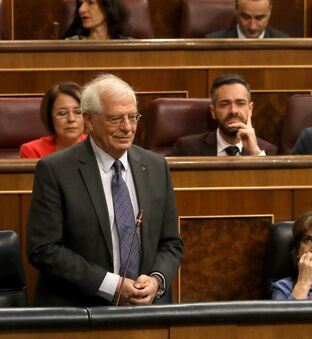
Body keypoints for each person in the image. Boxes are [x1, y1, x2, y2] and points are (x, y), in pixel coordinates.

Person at [27, 74, 183, 306]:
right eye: (116, 118)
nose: (127, 127)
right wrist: (112, 285)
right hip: (81, 309)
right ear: (89, 121)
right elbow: (44, 248)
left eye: (132, 117)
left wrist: (156, 281)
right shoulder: (55, 170)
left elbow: (171, 243)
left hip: (147, 309)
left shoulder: (155, 166)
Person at [171, 74, 277, 156]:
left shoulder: (267, 151)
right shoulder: (188, 149)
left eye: (240, 103)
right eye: (225, 104)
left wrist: (255, 153)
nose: (233, 110)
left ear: (250, 109)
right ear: (213, 111)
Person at [20, 82, 87, 158]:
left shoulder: (98, 146)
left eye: (78, 112)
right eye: (62, 113)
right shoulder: (33, 150)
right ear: (49, 117)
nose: (71, 119)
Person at [206, 0, 289, 39]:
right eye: (246, 17)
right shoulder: (212, 42)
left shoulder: (285, 44)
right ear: (236, 10)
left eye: (259, 18)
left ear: (269, 12)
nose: (252, 27)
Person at [63, 0, 130, 40]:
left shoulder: (130, 47)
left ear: (108, 7)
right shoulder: (70, 46)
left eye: (90, 2)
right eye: (80, 3)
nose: (81, 9)